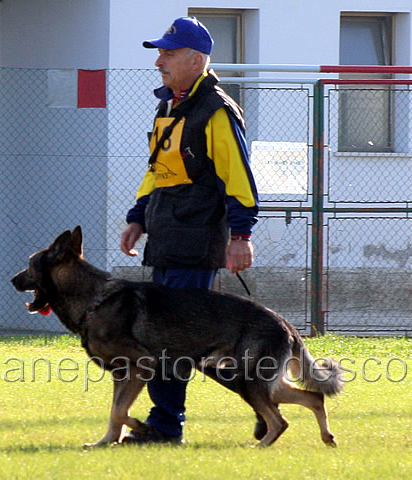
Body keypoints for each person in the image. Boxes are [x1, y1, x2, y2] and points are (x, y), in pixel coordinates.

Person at [119, 16, 259, 444]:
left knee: (172, 340)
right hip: (166, 237)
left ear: (196, 60)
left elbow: (238, 176)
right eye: (159, 53)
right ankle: (264, 400)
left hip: (195, 241)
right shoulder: (170, 104)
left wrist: (240, 236)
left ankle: (164, 426)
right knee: (180, 341)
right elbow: (159, 169)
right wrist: (138, 216)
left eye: (169, 53)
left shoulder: (214, 109)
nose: (159, 61)